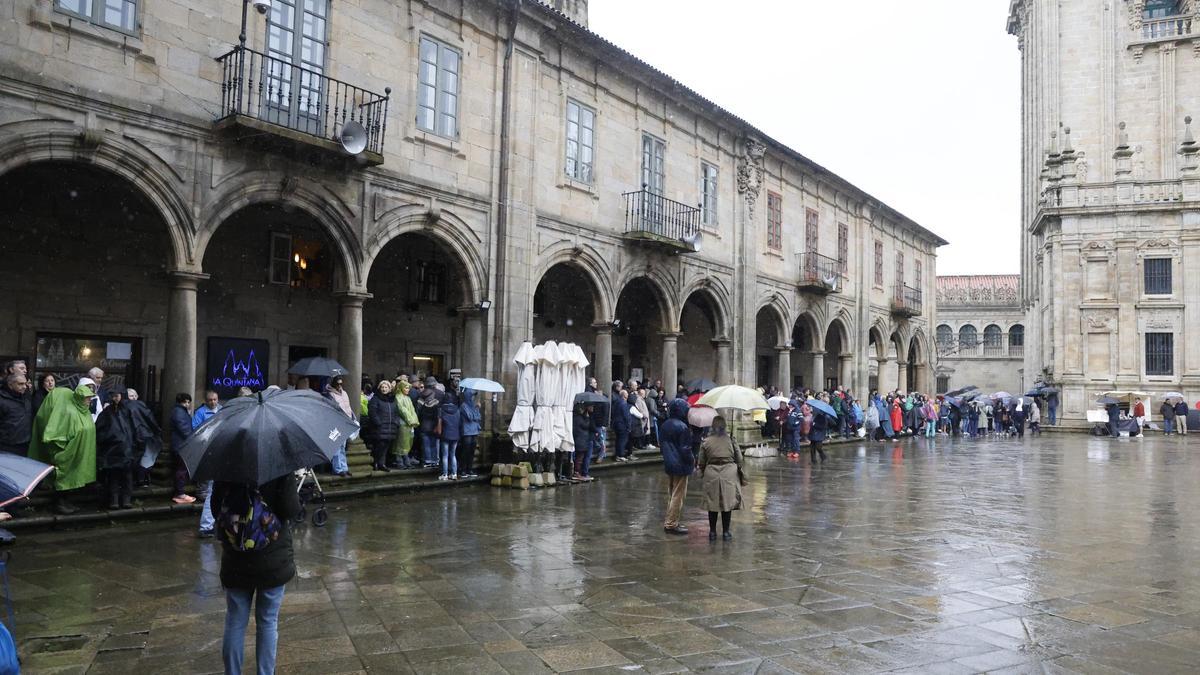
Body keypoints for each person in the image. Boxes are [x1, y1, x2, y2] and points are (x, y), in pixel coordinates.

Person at [211, 472, 300, 675]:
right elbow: (290, 508)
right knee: (268, 622)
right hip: (273, 558)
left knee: (235, 620)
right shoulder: (279, 466)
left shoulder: (226, 463)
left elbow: (216, 509)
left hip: (236, 557)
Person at [29, 382, 97, 514]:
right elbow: (56, 433)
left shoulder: (85, 412)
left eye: (90, 398)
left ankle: (66, 502)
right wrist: (62, 451)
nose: (89, 400)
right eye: (87, 398)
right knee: (63, 480)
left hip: (79, 452)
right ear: (79, 398)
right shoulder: (70, 412)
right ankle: (59, 504)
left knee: (72, 479)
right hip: (67, 453)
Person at [95, 393, 160, 510]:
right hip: (117, 449)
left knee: (126, 476)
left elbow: (135, 428)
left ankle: (124, 500)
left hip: (125, 449)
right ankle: (116, 500)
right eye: (114, 396)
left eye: (117, 395)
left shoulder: (126, 410)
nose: (116, 398)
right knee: (117, 476)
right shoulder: (109, 412)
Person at [698, 415, 744, 541]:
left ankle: (712, 532)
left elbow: (701, 461)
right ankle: (726, 532)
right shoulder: (731, 440)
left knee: (712, 504)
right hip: (728, 472)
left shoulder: (706, 441)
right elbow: (739, 459)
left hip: (711, 471)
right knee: (727, 504)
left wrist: (702, 472)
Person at [659, 398, 693, 535]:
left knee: (672, 493)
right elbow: (685, 449)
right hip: (680, 464)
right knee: (678, 495)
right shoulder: (682, 427)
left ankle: (671, 520)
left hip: (669, 462)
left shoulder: (665, 425)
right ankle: (671, 523)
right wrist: (691, 460)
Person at [193, 391, 223, 537]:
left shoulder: (222, 410)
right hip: (209, 452)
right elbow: (196, 431)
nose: (213, 402)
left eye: (215, 399)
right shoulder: (200, 413)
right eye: (210, 400)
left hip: (221, 452)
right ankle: (206, 526)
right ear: (206, 401)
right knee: (212, 491)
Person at [169, 393, 197, 504]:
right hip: (181, 445)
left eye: (188, 402)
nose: (187, 404)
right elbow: (184, 429)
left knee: (181, 469)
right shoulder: (179, 412)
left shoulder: (179, 411)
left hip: (181, 444)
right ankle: (180, 494)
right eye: (185, 402)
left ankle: (180, 493)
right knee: (182, 470)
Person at [366, 380, 399, 472]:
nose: (384, 389)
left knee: (386, 447)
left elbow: (396, 412)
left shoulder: (393, 399)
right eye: (382, 387)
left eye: (386, 387)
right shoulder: (375, 399)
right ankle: (376, 462)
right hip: (380, 427)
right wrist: (378, 422)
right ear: (379, 388)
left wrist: (396, 422)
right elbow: (372, 412)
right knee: (379, 446)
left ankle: (382, 464)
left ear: (389, 388)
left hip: (390, 427)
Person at [324, 376, 354, 477]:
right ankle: (338, 469)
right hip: (336, 422)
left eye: (341, 384)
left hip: (345, 421)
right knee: (337, 446)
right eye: (337, 384)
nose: (339, 386)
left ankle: (344, 468)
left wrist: (351, 418)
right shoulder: (330, 394)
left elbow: (348, 406)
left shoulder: (344, 393)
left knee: (343, 447)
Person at [0, 373, 31, 456]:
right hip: (6, 446)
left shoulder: (26, 397)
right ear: (10, 385)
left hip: (25, 444)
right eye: (20, 384)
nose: (24, 386)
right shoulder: (2, 400)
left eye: (25, 383)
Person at [416, 377, 444, 469]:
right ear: (435, 384)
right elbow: (441, 411)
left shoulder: (421, 395)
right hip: (435, 423)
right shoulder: (440, 394)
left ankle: (427, 460)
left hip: (424, 423)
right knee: (435, 443)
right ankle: (435, 460)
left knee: (426, 443)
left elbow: (418, 410)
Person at [391, 380, 419, 469]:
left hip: (409, 424)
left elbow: (412, 410)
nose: (408, 390)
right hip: (402, 423)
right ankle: (400, 461)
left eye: (408, 388)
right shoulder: (398, 397)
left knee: (407, 442)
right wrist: (411, 420)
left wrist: (414, 420)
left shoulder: (408, 398)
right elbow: (402, 410)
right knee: (400, 442)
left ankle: (406, 461)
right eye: (406, 388)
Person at [458, 387, 481, 479]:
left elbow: (479, 417)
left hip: (474, 431)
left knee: (471, 451)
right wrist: (476, 409)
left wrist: (476, 410)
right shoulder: (463, 406)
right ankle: (463, 469)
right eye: (472, 396)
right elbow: (470, 417)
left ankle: (469, 469)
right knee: (465, 450)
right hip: (467, 431)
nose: (473, 398)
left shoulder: (474, 406)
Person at [438, 393, 461, 480]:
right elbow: (459, 423)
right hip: (455, 435)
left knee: (445, 455)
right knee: (453, 455)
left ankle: (445, 474)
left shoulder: (441, 410)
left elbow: (439, 423)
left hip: (445, 435)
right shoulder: (457, 410)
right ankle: (454, 473)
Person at [571, 401, 595, 481]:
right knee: (579, 458)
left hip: (580, 439)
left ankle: (577, 472)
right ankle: (577, 473)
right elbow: (586, 425)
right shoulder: (579, 418)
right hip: (581, 440)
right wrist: (587, 418)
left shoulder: (575, 417)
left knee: (579, 458)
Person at [611, 385, 632, 462]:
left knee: (619, 440)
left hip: (617, 424)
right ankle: (620, 455)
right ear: (624, 395)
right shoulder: (623, 403)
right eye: (626, 394)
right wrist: (629, 426)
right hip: (622, 425)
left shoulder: (617, 402)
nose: (628, 395)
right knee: (622, 440)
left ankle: (618, 455)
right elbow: (626, 416)